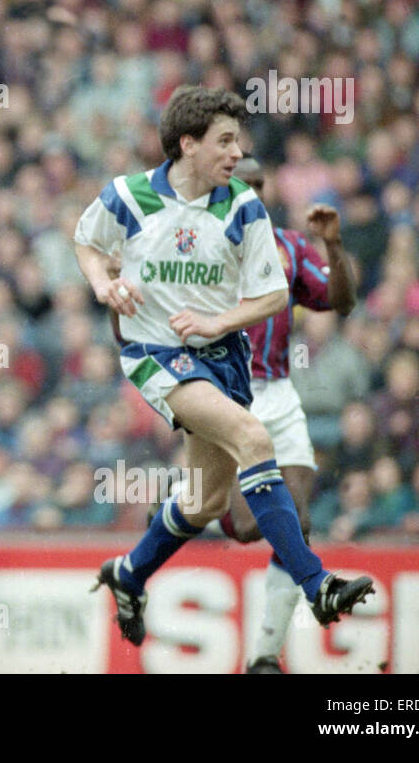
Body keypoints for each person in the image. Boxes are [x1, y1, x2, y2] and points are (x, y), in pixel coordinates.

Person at [72, 85, 373, 647]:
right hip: (156, 355)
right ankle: (317, 583)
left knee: (205, 501)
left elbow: (274, 297)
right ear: (188, 144)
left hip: (223, 359)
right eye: (226, 141)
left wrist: (218, 322)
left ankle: (129, 572)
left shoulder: (242, 206)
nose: (238, 153)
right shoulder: (129, 196)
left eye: (239, 140)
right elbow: (87, 242)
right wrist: (101, 283)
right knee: (251, 437)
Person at [223, 158, 358, 673]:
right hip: (229, 393)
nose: (254, 192)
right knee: (244, 524)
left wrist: (335, 246)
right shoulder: (208, 243)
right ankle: (194, 499)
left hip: (279, 391)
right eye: (244, 184)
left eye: (260, 184)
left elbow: (341, 301)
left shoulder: (289, 247)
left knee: (298, 523)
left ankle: (263, 655)